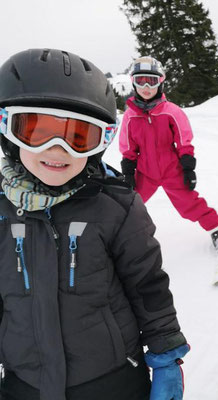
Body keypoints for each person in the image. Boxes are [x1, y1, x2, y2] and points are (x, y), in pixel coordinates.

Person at [0, 49, 188, 400]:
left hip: (111, 382)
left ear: (99, 144)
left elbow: (148, 285)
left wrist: (166, 355)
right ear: (7, 131)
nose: (58, 150)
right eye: (36, 131)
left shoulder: (115, 206)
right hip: (24, 383)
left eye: (79, 137)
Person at [119, 56, 218, 255]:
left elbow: (184, 140)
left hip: (171, 169)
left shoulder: (171, 111)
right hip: (146, 172)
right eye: (140, 80)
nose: (145, 87)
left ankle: (215, 228)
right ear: (133, 82)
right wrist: (128, 173)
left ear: (160, 82)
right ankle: (120, 242)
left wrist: (187, 167)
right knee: (129, 205)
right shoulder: (130, 116)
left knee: (188, 204)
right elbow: (128, 147)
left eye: (151, 81)